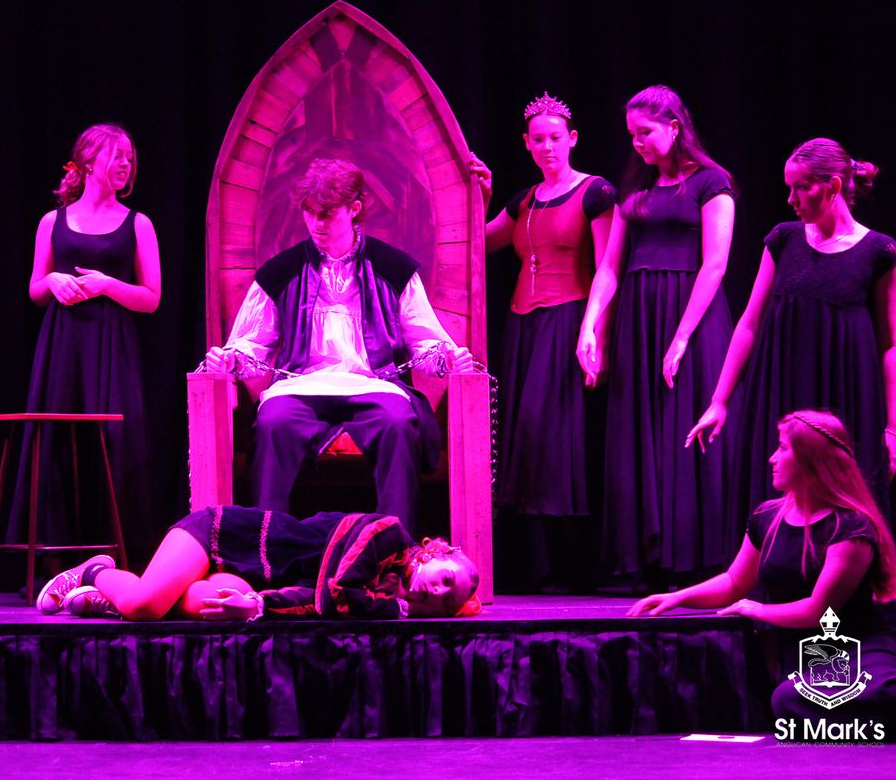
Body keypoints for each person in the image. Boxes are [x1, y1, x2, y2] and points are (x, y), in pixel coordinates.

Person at [203, 158, 474, 534]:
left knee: (398, 422)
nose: (317, 224)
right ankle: (268, 546)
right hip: (300, 386)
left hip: (375, 385)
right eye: (309, 212)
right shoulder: (281, 272)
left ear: (354, 209)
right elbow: (253, 343)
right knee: (272, 422)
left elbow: (423, 337)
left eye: (327, 213)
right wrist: (230, 360)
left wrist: (446, 357)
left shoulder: (392, 268)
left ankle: (395, 547)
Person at [628, 411, 896, 741]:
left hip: (858, 649)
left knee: (838, 697)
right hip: (808, 655)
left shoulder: (851, 528)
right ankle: (869, 726)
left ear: (812, 459)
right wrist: (677, 597)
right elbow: (734, 582)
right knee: (790, 700)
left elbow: (818, 612)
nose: (772, 458)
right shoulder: (767, 517)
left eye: (783, 448)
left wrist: (757, 609)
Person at [687, 138, 896, 517]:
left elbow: (889, 344)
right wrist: (719, 401)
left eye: (801, 187)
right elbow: (749, 323)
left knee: (842, 506)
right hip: (780, 392)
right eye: (789, 188)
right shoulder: (784, 240)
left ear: (833, 186)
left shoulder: (879, 252)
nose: (791, 199)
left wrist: (892, 427)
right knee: (772, 502)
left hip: (845, 399)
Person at [577, 85, 735, 585]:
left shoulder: (711, 182)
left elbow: (715, 265)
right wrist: (590, 325)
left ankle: (692, 557)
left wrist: (683, 336)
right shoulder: (636, 189)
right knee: (638, 429)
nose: (637, 142)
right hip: (640, 319)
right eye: (632, 134)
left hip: (693, 316)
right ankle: (642, 557)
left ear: (673, 127)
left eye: (645, 132)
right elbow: (609, 267)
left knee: (683, 426)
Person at [469, 93, 615, 590]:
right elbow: (478, 244)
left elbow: (608, 269)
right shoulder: (525, 200)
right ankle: (538, 566)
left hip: (568, 320)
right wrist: (481, 196)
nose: (547, 146)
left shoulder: (595, 192)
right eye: (539, 139)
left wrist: (596, 336)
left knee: (557, 440)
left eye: (556, 138)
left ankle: (575, 566)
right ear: (527, 144)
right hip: (524, 327)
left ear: (572, 139)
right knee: (526, 440)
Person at [8, 123, 161, 553]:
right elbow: (35, 290)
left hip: (112, 345)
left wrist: (106, 285)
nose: (126, 164)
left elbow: (151, 298)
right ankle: (53, 558)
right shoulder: (52, 221)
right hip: (63, 345)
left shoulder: (138, 224)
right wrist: (52, 280)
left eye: (129, 157)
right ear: (89, 162)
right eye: (117, 156)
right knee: (57, 441)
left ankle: (118, 555)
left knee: (114, 443)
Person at [35, 505, 480, 621]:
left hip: (248, 575)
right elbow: (334, 595)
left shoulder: (383, 591)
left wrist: (258, 606)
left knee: (213, 607)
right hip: (221, 535)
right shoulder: (388, 533)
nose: (436, 592)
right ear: (435, 553)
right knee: (145, 607)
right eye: (445, 579)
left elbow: (313, 598)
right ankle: (95, 572)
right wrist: (400, 610)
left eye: (446, 599)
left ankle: (111, 600)